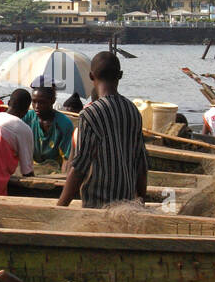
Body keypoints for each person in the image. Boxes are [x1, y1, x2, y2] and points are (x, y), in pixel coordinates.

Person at [58, 52, 148, 208]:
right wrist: (140, 201)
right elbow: (141, 162)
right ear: (120, 75)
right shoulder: (132, 110)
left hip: (97, 204)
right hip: (126, 205)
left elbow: (80, 167)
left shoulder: (90, 113)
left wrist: (60, 207)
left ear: (91, 76)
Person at [26, 76, 75, 167]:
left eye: (41, 102)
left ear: (52, 101)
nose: (36, 106)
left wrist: (62, 175)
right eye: (34, 101)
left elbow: (66, 158)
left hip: (55, 170)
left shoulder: (64, 124)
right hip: (30, 167)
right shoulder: (27, 117)